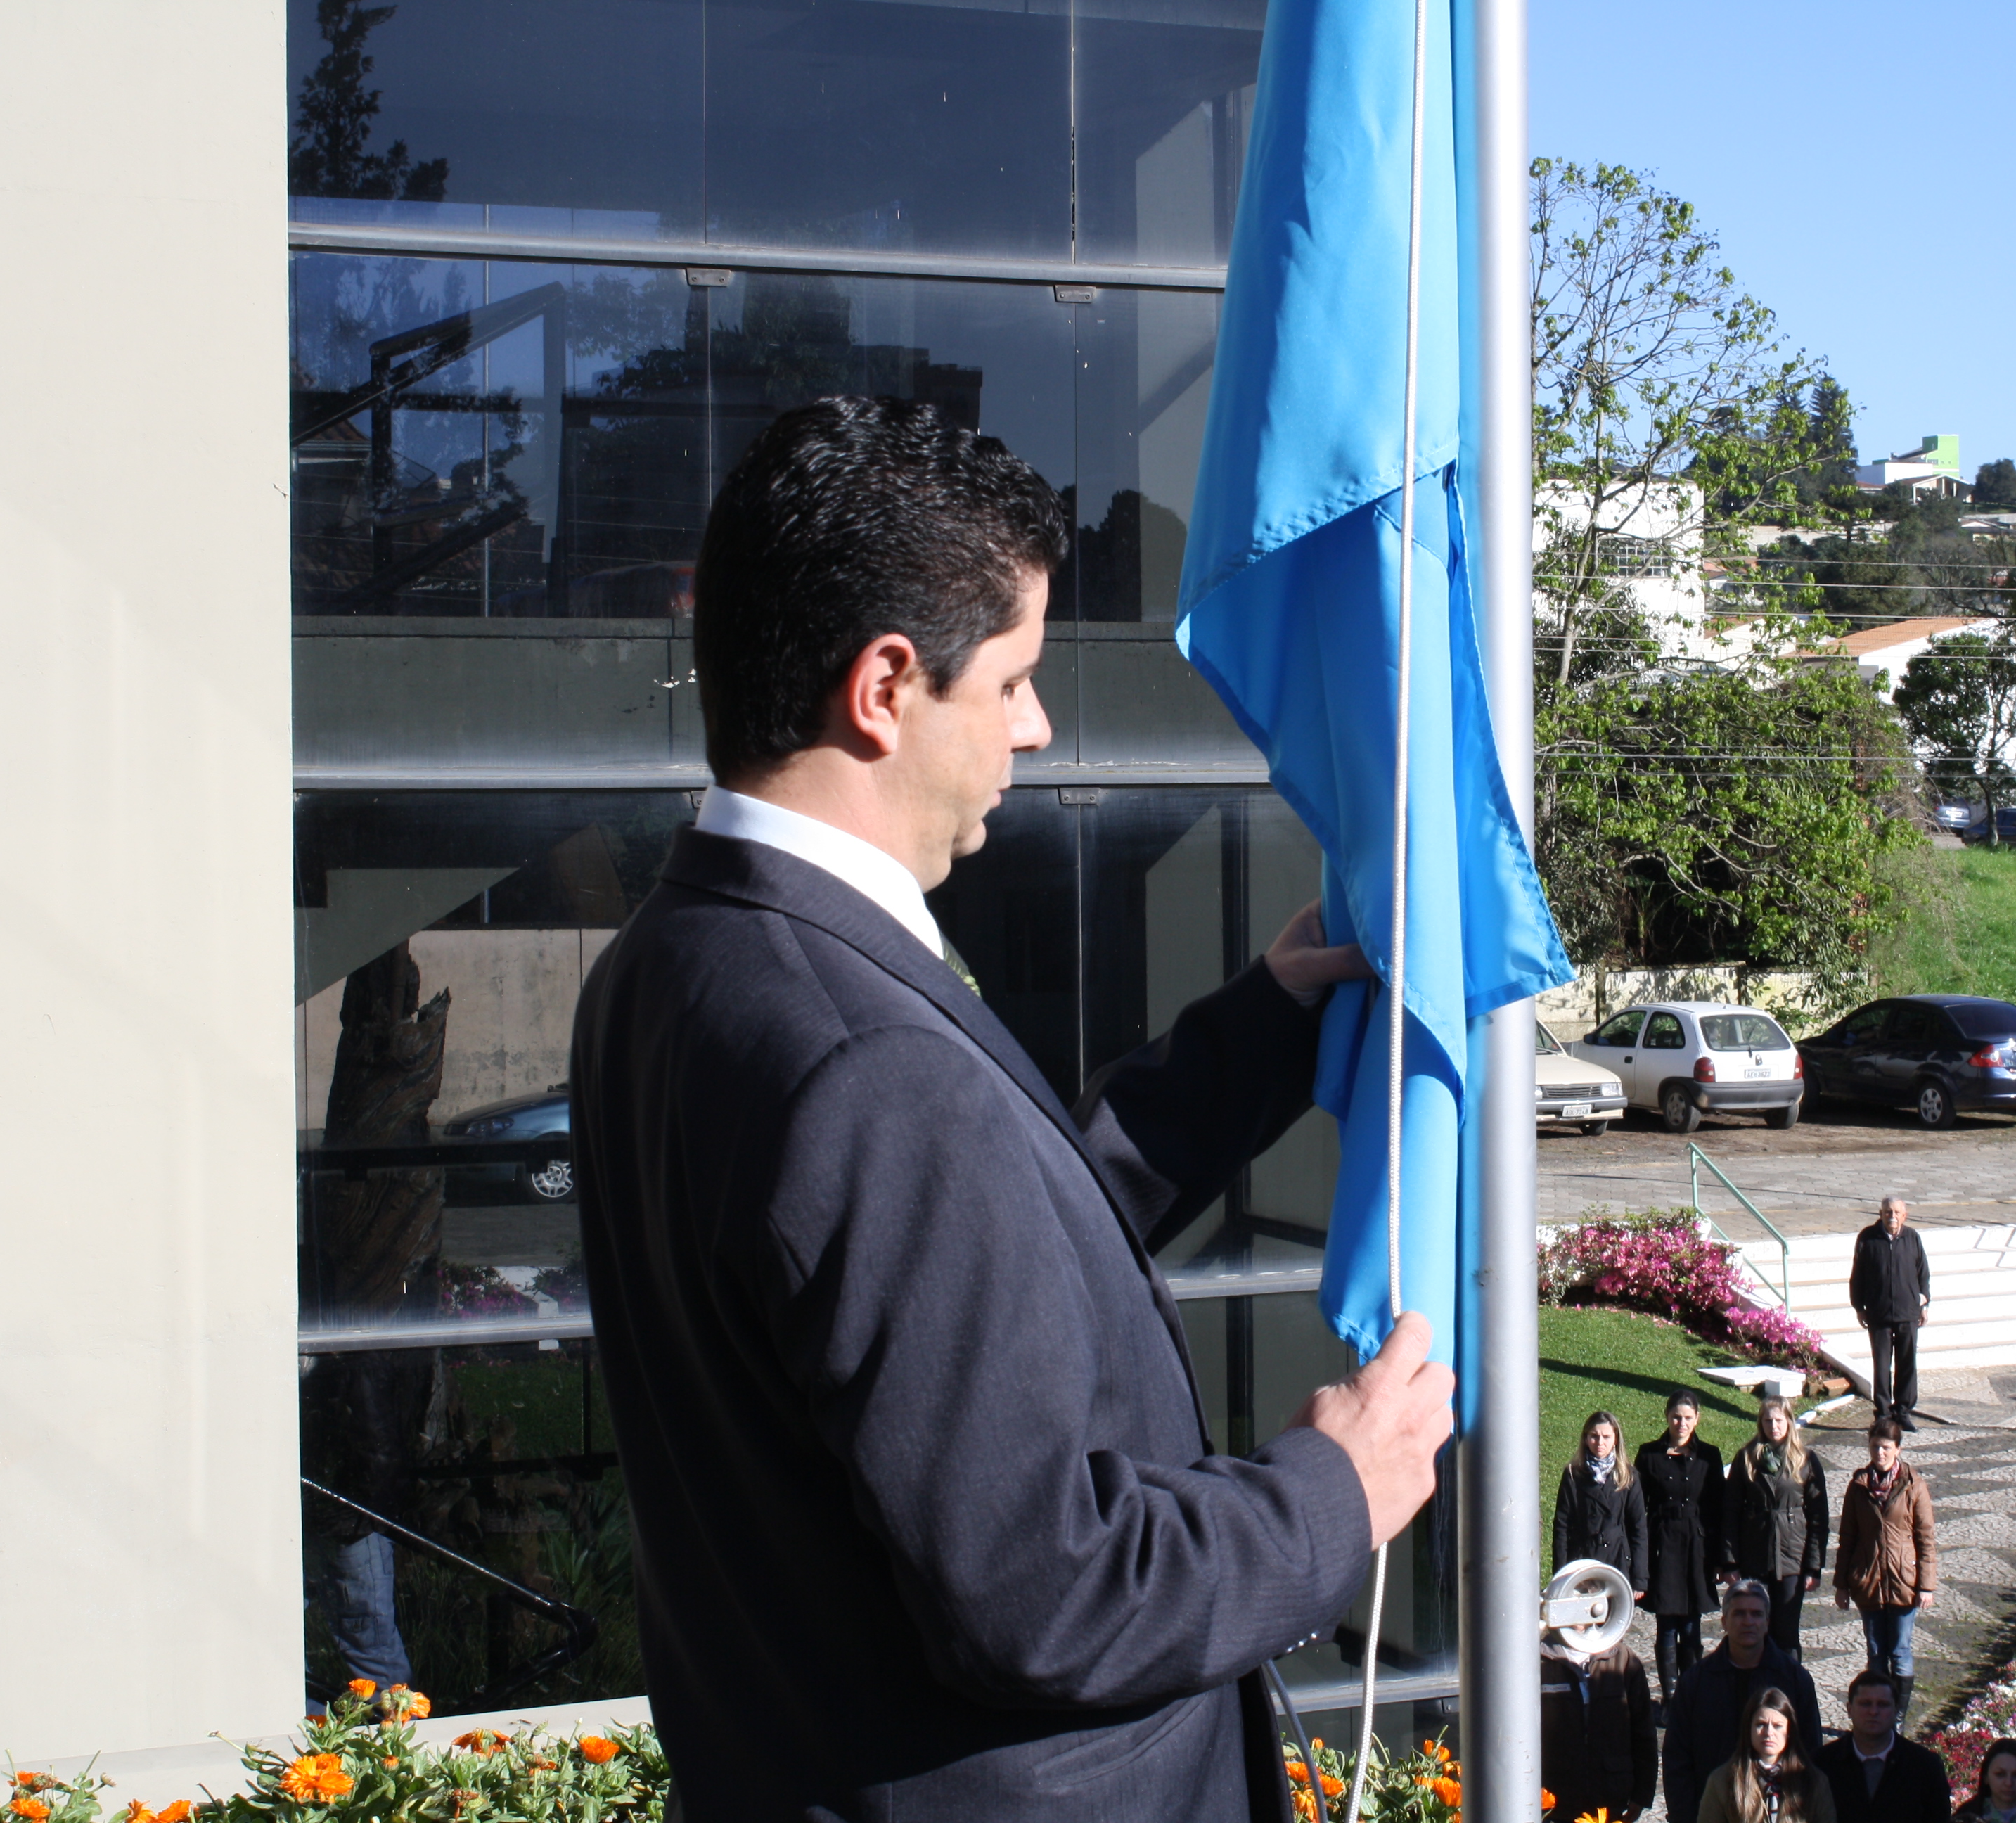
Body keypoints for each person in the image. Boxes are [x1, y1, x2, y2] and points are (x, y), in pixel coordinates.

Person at [568, 397, 1456, 1821]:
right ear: (884, 687)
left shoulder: (671, 963)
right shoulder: (865, 1060)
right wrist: (1331, 1495)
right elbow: (1053, 1596)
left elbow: (956, 1256)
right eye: (1014, 682)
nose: (1036, 729)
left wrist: (1258, 1029)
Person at [1663, 1579, 1825, 1823]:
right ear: (1724, 1621)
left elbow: (1811, 1752)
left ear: (1767, 1622)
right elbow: (1677, 1759)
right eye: (1739, 1614)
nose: (1748, 1622)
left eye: (1756, 1614)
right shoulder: (1695, 1682)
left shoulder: (1794, 1679)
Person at [1834, 1421, 1937, 1721]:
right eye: (1875, 1447)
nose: (1880, 1453)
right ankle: (1876, 1713)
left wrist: (1926, 1585)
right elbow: (1847, 1537)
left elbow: (1925, 1536)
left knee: (1900, 1651)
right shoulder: (1859, 1485)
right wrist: (1841, 1584)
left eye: (1886, 1447)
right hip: (1869, 1580)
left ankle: (1898, 1717)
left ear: (1898, 1449)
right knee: (1876, 1653)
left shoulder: (1912, 1483)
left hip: (1904, 1581)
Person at [1635, 1389, 1726, 1704]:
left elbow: (1719, 1508)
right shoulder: (1648, 1456)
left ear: (1697, 1419)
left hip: (1697, 1549)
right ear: (1667, 1417)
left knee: (1691, 1625)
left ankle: (1693, 1694)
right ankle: (1671, 1697)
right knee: (1666, 1625)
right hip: (1662, 1546)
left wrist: (1720, 1559)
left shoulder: (1710, 1456)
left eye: (1688, 1418)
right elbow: (1637, 1510)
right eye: (1676, 1417)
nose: (1682, 1423)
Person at [1723, 1395, 1828, 1654]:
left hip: (1792, 1556)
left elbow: (1818, 1517)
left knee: (1786, 1632)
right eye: (1768, 1420)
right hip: (1754, 1555)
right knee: (1753, 1631)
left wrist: (1814, 1566)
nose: (1774, 1426)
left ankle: (1790, 1690)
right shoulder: (1747, 1457)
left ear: (1789, 1422)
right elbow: (1730, 1512)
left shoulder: (1805, 1459)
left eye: (1779, 1420)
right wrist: (1730, 1561)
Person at [1539, 1635, 1659, 1822]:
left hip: (1610, 1798)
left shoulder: (1623, 1658)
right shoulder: (1536, 1659)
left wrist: (1642, 1795)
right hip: (1555, 1799)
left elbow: (1643, 1731)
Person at [1811, 1670, 1951, 1823]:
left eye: (1883, 1705)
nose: (1873, 1712)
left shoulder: (1925, 1766)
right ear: (1849, 1709)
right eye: (1865, 1704)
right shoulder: (1821, 1764)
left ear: (1896, 1710)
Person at [1694, 1687, 1836, 1823]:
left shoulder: (1812, 1781)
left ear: (1789, 1732)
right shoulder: (1722, 1781)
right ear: (1749, 1729)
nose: (1769, 1733)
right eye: (1761, 1724)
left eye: (1777, 1726)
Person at [1850, 1198, 1931, 1427]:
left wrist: (1924, 1304)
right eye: (1887, 1212)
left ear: (1904, 1215)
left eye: (1896, 1212)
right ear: (1881, 1214)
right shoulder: (1868, 1238)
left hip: (1908, 1312)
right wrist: (1859, 1307)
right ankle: (1884, 1412)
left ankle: (1903, 1410)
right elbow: (1858, 1275)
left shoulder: (1913, 1238)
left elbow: (1922, 1273)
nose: (1892, 1216)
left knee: (1907, 1364)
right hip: (1879, 1313)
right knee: (1882, 1364)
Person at [1554, 1410, 1648, 1597]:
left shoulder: (1627, 1476)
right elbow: (1562, 1528)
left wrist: (1639, 1578)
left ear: (1615, 1439)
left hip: (1617, 1562)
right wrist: (1560, 1576)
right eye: (1594, 1436)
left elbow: (1638, 1528)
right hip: (1581, 1563)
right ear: (1585, 1438)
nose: (1600, 1443)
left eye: (1606, 1437)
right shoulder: (1574, 1475)